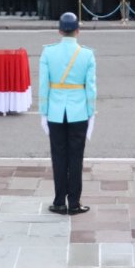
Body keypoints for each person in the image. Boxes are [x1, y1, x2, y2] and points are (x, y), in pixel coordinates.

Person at [38, 12, 97, 215]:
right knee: (76, 158)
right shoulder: (87, 54)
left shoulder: (48, 52)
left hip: (55, 110)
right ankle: (74, 202)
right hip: (78, 110)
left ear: (60, 30)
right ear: (78, 31)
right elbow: (90, 88)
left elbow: (43, 85)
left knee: (59, 157)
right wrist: (91, 112)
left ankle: (59, 200)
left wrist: (43, 112)